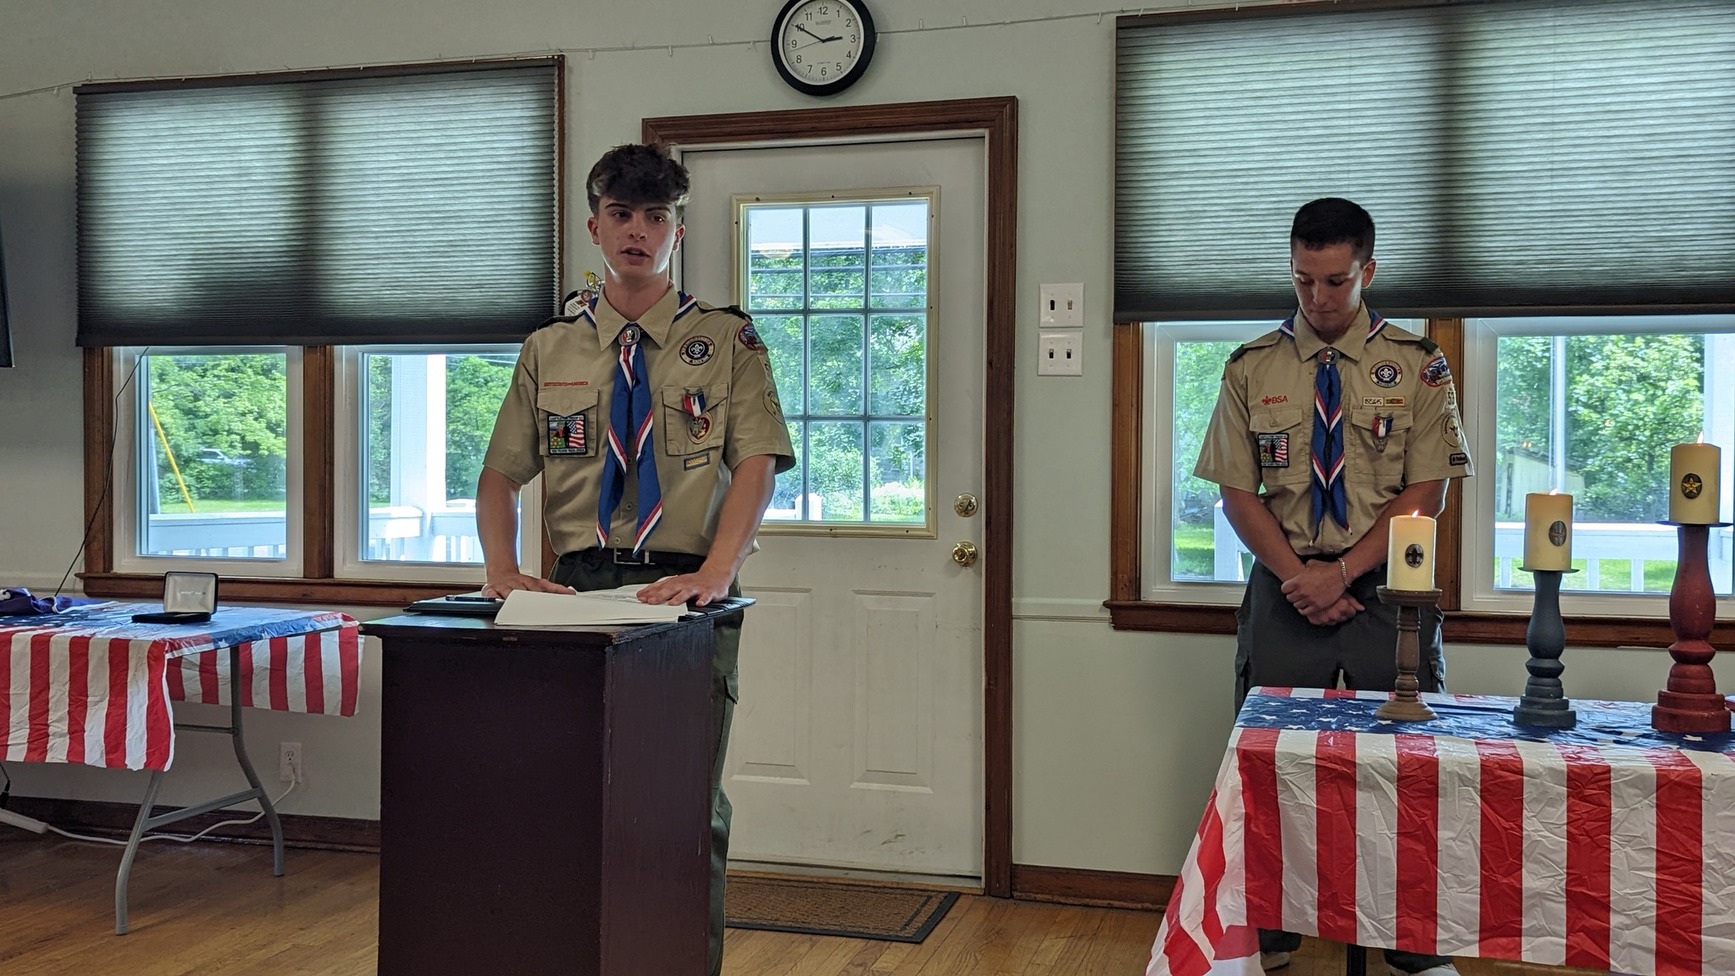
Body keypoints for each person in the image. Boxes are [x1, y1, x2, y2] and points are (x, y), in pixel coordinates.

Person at [475, 142, 795, 976]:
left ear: (676, 231)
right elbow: (499, 474)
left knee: (683, 802)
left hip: (683, 592)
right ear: (594, 227)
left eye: (656, 218)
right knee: (568, 796)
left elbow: (756, 463)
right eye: (621, 214)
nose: (638, 232)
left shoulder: (724, 339)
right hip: (577, 589)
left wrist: (716, 573)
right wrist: (502, 571)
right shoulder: (551, 347)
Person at [1192, 198, 1472, 976]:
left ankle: (1411, 944)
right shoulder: (1251, 366)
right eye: (1302, 280)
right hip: (1284, 585)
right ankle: (1269, 936)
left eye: (1334, 281)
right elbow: (1237, 495)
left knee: (1406, 767)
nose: (1316, 298)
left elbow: (1426, 491)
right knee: (1270, 768)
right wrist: (1301, 579)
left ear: (1366, 271)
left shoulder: (1417, 363)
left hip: (1388, 587)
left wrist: (1342, 573)